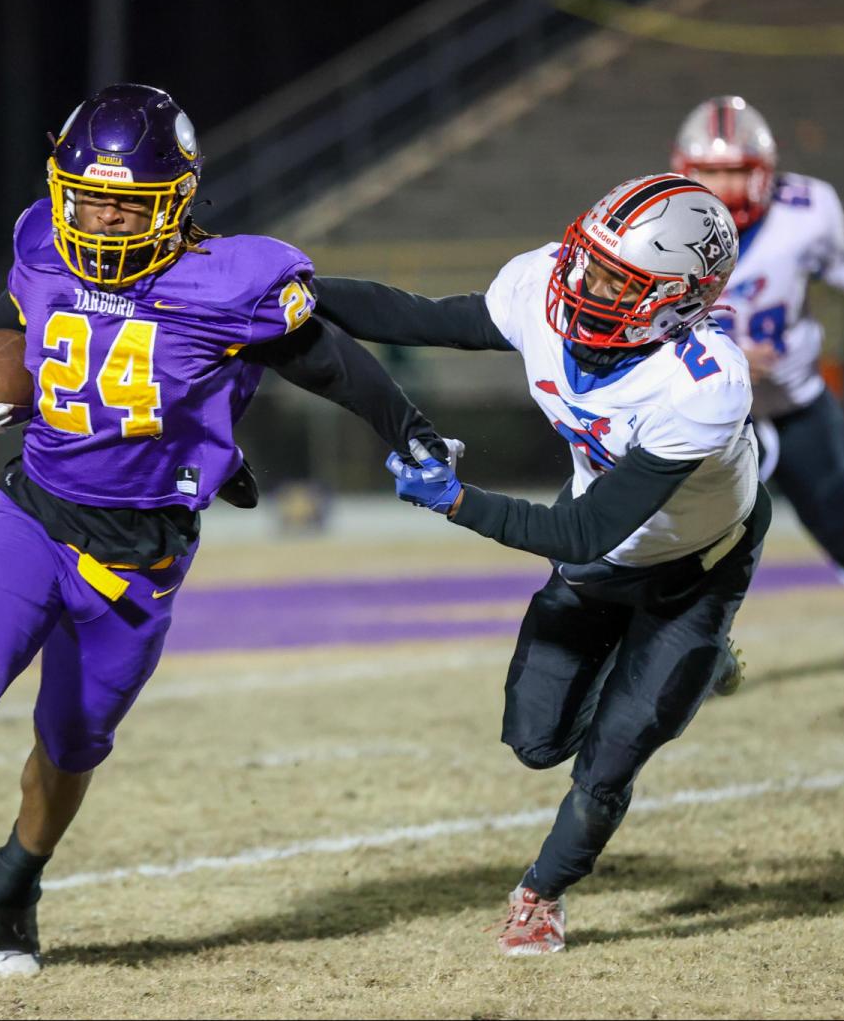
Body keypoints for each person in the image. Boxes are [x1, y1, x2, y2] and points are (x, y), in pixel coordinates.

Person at [0, 83, 453, 975]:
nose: (100, 218)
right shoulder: (43, 241)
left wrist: (410, 429)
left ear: (175, 202)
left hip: (143, 555)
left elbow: (334, 364)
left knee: (69, 745)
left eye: (127, 204)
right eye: (87, 196)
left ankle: (14, 881)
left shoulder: (225, 282)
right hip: (35, 516)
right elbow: (8, 319)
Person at [319, 174, 767, 955]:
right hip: (602, 550)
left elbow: (585, 528)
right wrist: (288, 291)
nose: (583, 284)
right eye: (590, 262)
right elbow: (422, 318)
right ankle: (675, 671)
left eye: (617, 280)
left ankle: (542, 893)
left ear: (682, 301)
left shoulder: (702, 384)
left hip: (694, 563)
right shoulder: (543, 287)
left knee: (614, 753)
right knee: (533, 739)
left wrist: (458, 501)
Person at [669, 96, 844, 706]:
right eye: (710, 171)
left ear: (764, 170)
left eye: (736, 169)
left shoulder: (806, 213)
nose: (722, 184)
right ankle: (672, 654)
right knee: (684, 542)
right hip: (706, 417)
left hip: (795, 403)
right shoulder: (660, 229)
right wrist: (729, 353)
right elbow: (639, 326)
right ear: (684, 171)